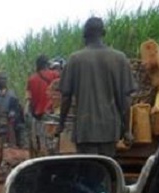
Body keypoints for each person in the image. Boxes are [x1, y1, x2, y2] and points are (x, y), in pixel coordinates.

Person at [57, 17, 137, 157]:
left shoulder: (75, 59)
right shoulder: (119, 58)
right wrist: (126, 130)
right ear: (104, 32)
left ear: (84, 35)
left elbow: (65, 97)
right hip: (110, 130)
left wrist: (61, 124)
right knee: (107, 169)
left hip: (85, 130)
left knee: (88, 172)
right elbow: (125, 99)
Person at [26, 55, 60, 155]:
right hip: (54, 115)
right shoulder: (55, 75)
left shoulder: (31, 79)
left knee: (40, 142)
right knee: (54, 143)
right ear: (47, 64)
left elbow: (29, 98)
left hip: (39, 116)